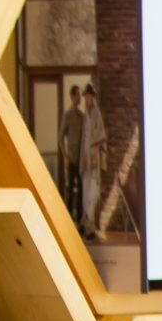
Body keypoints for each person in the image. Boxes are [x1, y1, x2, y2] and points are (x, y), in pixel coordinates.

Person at [56, 83, 86, 222]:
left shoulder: (82, 116)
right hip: (71, 157)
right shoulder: (67, 116)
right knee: (69, 189)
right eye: (78, 95)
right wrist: (65, 157)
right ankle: (68, 219)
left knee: (81, 190)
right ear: (73, 96)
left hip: (81, 159)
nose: (80, 98)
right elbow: (60, 137)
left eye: (81, 95)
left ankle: (79, 220)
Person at [78, 83, 105, 233]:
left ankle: (87, 220)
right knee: (85, 188)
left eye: (89, 97)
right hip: (85, 156)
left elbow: (100, 135)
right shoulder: (85, 115)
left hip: (93, 155)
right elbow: (84, 137)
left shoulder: (96, 114)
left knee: (93, 190)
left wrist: (95, 151)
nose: (87, 99)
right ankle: (86, 220)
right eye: (86, 97)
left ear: (92, 98)